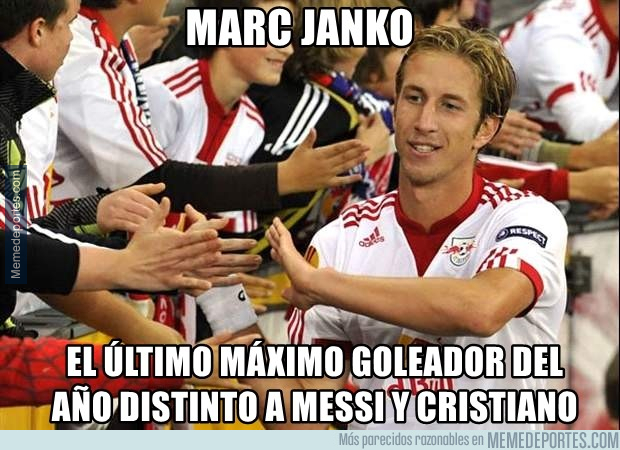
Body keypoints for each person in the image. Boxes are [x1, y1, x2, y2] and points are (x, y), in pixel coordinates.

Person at [248, 26, 568, 430]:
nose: (424, 122)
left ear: (486, 129)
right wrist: (230, 316)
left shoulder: (526, 218)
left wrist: (323, 285)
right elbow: (303, 422)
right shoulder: (340, 239)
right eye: (414, 98)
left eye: (450, 106)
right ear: (394, 105)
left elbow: (481, 310)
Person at [500, 0, 618, 141]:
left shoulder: (598, 19)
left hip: (542, 133)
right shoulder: (563, 38)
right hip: (493, 141)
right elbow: (583, 125)